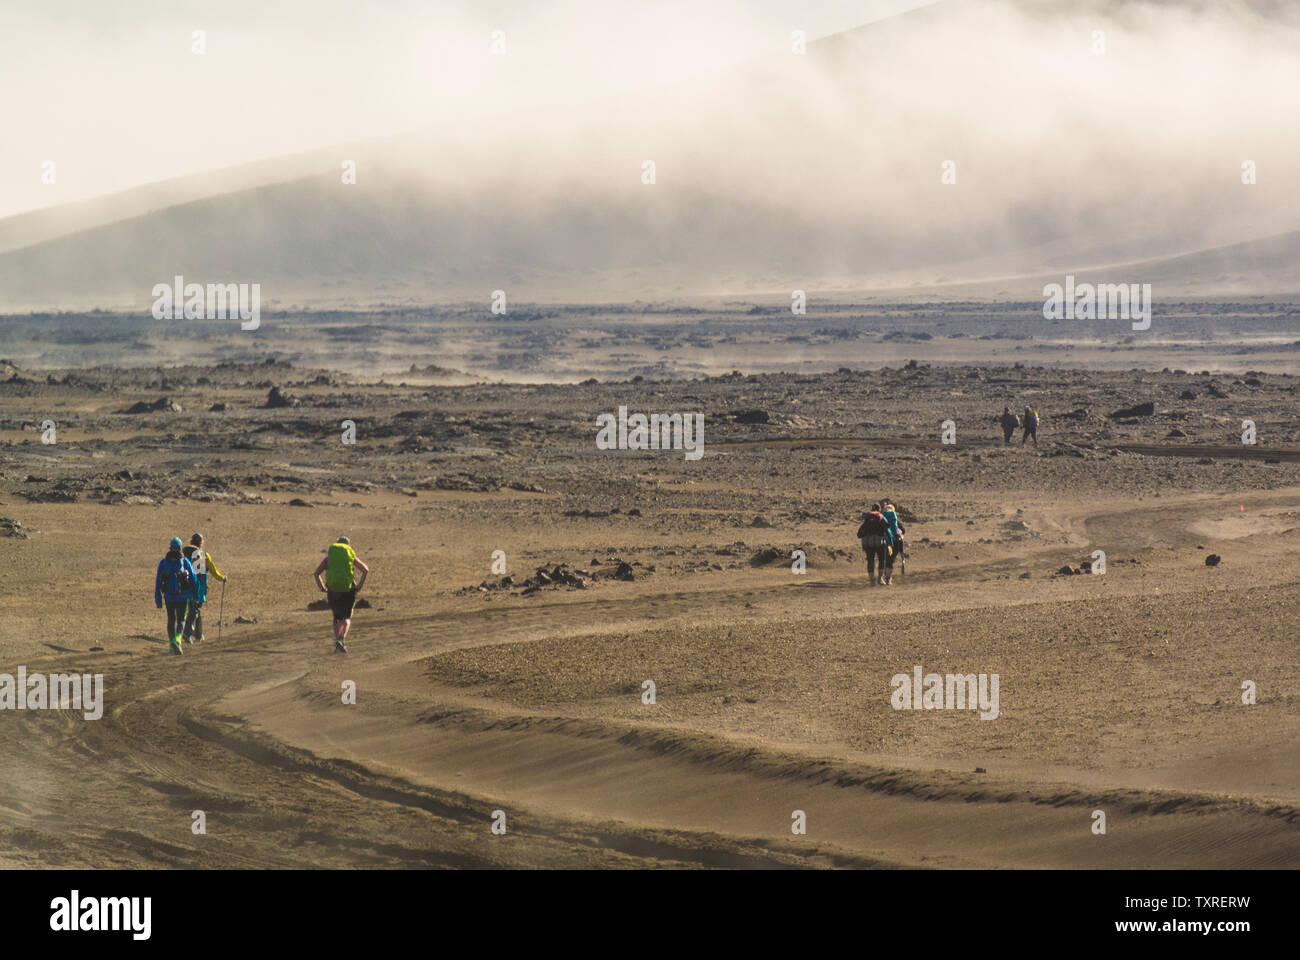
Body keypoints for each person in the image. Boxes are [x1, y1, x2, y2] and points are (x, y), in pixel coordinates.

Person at [314, 536, 369, 652]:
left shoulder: (329, 558)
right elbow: (365, 570)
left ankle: (338, 642)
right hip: (347, 590)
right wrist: (359, 586)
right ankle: (341, 639)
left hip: (332, 590)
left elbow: (316, 573)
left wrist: (322, 587)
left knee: (336, 617)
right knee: (346, 618)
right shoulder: (350, 555)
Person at [181, 532, 226, 644]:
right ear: (201, 543)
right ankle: (187, 633)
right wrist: (222, 578)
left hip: (186, 585)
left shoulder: (186, 555)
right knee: (195, 609)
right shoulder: (204, 556)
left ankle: (198, 633)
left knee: (193, 608)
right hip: (199, 587)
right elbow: (214, 572)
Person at [155, 536, 197, 655]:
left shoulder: (163, 563)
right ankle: (177, 640)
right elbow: (193, 578)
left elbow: (158, 582)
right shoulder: (184, 561)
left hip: (168, 597)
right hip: (182, 596)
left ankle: (171, 647)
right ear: (180, 548)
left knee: (171, 620)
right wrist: (194, 594)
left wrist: (158, 600)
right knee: (181, 620)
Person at [857, 503, 891, 587]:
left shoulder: (868, 518)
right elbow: (887, 529)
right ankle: (880, 579)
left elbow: (859, 534)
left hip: (868, 542)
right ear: (879, 509)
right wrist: (890, 542)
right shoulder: (881, 517)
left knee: (870, 561)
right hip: (879, 542)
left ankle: (872, 580)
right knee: (881, 560)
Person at [881, 501, 905, 585]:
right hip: (894, 541)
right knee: (890, 561)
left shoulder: (882, 517)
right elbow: (903, 531)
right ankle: (888, 579)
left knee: (885, 560)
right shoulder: (895, 520)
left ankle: (881, 578)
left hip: (884, 541)